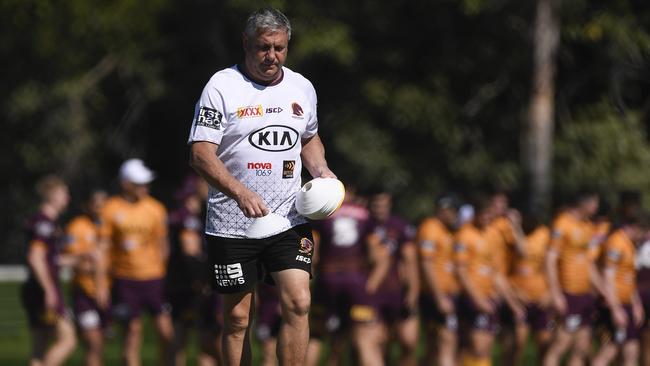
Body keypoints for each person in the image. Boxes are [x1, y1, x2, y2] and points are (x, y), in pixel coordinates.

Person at [187, 7, 335, 366]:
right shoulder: (221, 86)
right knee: (238, 319)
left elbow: (309, 137)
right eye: (264, 48)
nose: (272, 57)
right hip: (232, 223)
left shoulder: (302, 87)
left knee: (299, 302)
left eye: (280, 48)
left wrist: (321, 170)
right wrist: (240, 192)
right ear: (246, 43)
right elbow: (201, 155)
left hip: (288, 217)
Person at [98, 159, 173, 366]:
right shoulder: (111, 209)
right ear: (126, 184)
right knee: (132, 334)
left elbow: (162, 244)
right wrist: (102, 283)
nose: (145, 188)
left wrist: (161, 270)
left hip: (154, 279)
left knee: (166, 333)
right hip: (125, 280)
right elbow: (103, 249)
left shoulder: (156, 209)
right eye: (140, 183)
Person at [543, 191, 620, 366]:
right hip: (568, 292)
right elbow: (550, 259)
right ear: (583, 203)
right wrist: (555, 293)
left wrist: (604, 291)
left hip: (584, 294)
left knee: (582, 345)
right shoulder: (562, 223)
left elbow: (588, 264)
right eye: (594, 203)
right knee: (561, 345)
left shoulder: (586, 226)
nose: (596, 207)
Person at [307, 188, 377, 366]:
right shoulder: (364, 215)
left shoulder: (324, 211)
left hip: (328, 278)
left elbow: (312, 253)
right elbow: (377, 256)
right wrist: (369, 283)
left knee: (316, 335)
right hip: (355, 280)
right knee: (364, 339)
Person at [454, 195, 524, 366]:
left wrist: (512, 302)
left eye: (489, 214)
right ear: (475, 214)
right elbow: (461, 272)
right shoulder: (464, 234)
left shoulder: (493, 234)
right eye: (483, 214)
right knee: (477, 346)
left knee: (485, 347)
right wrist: (477, 299)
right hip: (473, 297)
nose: (486, 218)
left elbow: (496, 273)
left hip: (490, 296)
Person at [165, 176, 222, 366]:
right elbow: (190, 252)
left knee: (200, 335)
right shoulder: (187, 217)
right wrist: (202, 280)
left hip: (184, 283)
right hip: (189, 285)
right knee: (195, 335)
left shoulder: (195, 214)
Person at [21, 175, 77, 366]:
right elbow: (35, 258)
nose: (67, 198)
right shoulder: (44, 223)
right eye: (64, 193)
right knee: (68, 340)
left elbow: (50, 259)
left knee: (39, 349)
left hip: (37, 288)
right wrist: (49, 290)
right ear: (52, 195)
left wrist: (79, 259)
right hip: (42, 289)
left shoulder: (47, 223)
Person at [365, 191, 419, 366]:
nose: (380, 209)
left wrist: (413, 291)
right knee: (378, 342)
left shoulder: (400, 226)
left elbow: (410, 260)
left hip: (397, 291)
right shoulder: (364, 225)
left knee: (408, 341)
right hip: (373, 292)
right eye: (376, 205)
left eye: (384, 205)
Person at [63, 189, 110, 366]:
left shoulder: (107, 226)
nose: (101, 209)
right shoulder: (77, 227)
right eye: (97, 205)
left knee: (101, 345)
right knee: (93, 342)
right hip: (85, 293)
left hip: (107, 292)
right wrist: (97, 267)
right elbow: (76, 262)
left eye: (104, 205)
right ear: (87, 206)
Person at [592, 215, 645, 366]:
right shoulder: (616, 242)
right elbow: (608, 277)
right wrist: (615, 309)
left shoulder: (629, 244)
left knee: (631, 350)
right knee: (609, 351)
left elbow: (629, 277)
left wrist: (636, 304)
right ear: (634, 227)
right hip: (616, 304)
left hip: (627, 303)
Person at [417, 194, 460, 366]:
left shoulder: (447, 230)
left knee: (434, 346)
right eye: (454, 211)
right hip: (436, 295)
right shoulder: (430, 228)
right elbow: (426, 264)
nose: (456, 216)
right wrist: (440, 297)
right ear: (445, 210)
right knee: (446, 341)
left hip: (447, 294)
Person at [508, 212, 554, 364]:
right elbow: (505, 265)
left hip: (540, 298)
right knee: (517, 345)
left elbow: (548, 266)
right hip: (519, 299)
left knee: (545, 345)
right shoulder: (509, 233)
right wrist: (513, 292)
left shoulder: (544, 234)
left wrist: (549, 292)